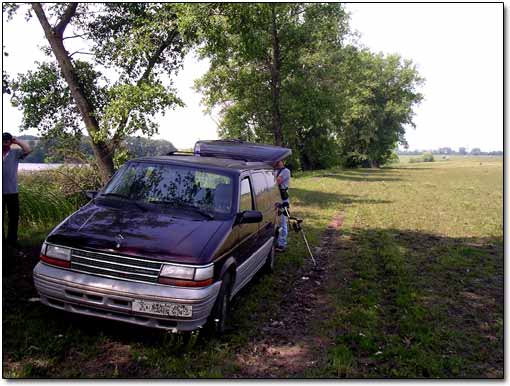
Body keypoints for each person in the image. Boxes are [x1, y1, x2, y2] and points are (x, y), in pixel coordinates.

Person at [3, 132, 31, 248]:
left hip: (12, 191)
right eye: (3, 140)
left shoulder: (15, 153)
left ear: (10, 141)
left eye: (7, 141)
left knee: (13, 218)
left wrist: (17, 141)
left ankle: (12, 241)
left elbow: (28, 150)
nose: (5, 143)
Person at [274, 159, 291, 252]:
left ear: (283, 161)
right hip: (275, 198)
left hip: (283, 199)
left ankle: (282, 244)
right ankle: (276, 241)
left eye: (280, 160)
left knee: (283, 221)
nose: (278, 162)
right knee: (275, 221)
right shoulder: (274, 170)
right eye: (277, 160)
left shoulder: (286, 171)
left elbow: (277, 182)